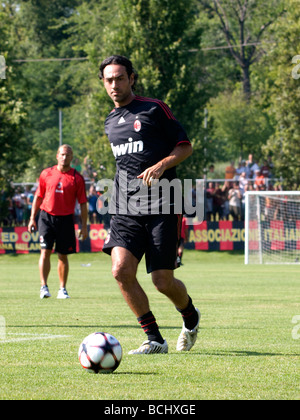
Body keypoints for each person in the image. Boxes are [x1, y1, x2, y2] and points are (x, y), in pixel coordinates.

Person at [98, 55, 200, 355]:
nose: (114, 84)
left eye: (119, 78)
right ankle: (155, 338)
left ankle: (190, 317)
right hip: (125, 207)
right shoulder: (109, 122)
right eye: (108, 80)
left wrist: (160, 166)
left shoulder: (154, 109)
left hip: (163, 204)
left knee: (162, 280)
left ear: (132, 78)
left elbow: (185, 146)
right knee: (120, 271)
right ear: (103, 83)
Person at [28, 145, 88, 299]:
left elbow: (82, 203)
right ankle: (44, 287)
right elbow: (38, 196)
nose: (64, 157)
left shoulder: (77, 177)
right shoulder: (46, 173)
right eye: (62, 154)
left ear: (72, 157)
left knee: (63, 255)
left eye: (67, 155)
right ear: (57, 156)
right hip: (46, 217)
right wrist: (31, 219)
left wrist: (84, 226)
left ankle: (62, 289)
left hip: (66, 219)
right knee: (45, 251)